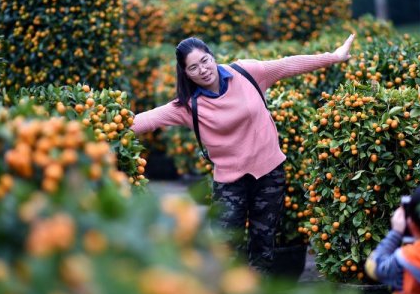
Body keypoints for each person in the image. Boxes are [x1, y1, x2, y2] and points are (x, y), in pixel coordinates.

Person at [131, 34, 355, 272]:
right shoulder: (188, 105)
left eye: (205, 61)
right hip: (230, 184)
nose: (203, 70)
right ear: (186, 73)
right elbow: (145, 120)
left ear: (213, 56)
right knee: (226, 250)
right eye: (194, 67)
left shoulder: (247, 73)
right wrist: (101, 127)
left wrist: (334, 57)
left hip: (269, 174)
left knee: (263, 248)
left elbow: (287, 64)